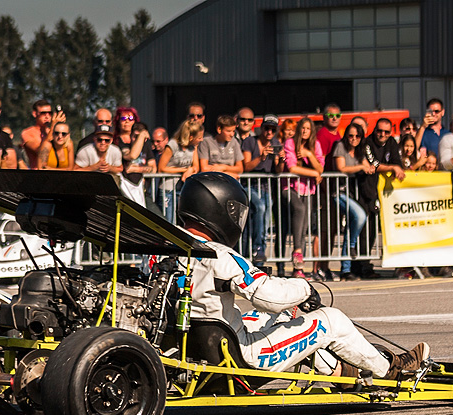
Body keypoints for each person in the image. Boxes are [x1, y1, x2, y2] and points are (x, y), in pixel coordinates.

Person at [177, 171, 430, 381]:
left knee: (279, 317)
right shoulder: (220, 256)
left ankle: (340, 371)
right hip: (239, 361)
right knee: (331, 320)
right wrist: (305, 288)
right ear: (219, 209)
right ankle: (392, 370)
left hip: (193, 354)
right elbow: (269, 297)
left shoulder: (167, 252)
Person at [357, 118, 407, 278]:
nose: (382, 134)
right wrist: (392, 167)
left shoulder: (392, 143)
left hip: (384, 194)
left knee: (377, 230)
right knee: (366, 230)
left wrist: (395, 167)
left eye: (386, 132)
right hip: (366, 191)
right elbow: (374, 163)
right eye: (379, 131)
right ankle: (362, 266)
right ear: (374, 130)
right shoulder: (367, 142)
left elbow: (397, 162)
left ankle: (370, 264)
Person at [277, 116, 323, 278]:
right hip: (289, 187)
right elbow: (292, 168)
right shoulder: (290, 143)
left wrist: (309, 154)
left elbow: (320, 168)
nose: (305, 131)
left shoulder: (315, 145)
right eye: (302, 128)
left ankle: (298, 269)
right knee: (299, 209)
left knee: (303, 228)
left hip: (307, 189)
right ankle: (296, 251)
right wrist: (314, 173)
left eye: (308, 128)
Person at [332, 123, 372, 282]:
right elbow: (341, 168)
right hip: (338, 192)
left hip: (353, 194)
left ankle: (346, 269)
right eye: (351, 135)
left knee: (350, 228)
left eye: (357, 136)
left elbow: (368, 166)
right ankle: (352, 246)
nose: (354, 139)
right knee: (360, 216)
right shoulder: (340, 146)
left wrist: (367, 166)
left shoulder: (361, 151)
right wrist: (360, 166)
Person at [241, 114, 281, 267]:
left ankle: (260, 252)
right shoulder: (250, 141)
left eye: (273, 129)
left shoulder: (275, 143)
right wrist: (261, 157)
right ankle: (257, 247)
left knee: (266, 217)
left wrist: (281, 159)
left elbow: (278, 170)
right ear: (261, 128)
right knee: (260, 207)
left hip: (266, 187)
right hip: (249, 185)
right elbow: (246, 167)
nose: (269, 132)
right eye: (267, 128)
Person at [157, 120, 201, 221]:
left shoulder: (193, 147)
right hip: (168, 189)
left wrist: (190, 170)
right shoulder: (172, 145)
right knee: (168, 220)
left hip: (183, 189)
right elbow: (161, 168)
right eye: (199, 137)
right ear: (191, 137)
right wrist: (183, 170)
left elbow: (196, 167)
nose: (201, 140)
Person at [20, 99, 65, 169]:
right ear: (35, 114)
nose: (47, 116)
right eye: (43, 113)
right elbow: (41, 152)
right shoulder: (27, 133)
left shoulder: (52, 132)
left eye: (49, 113)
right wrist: (53, 125)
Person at [197, 115, 243, 180]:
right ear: (219, 129)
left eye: (233, 131)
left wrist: (224, 167)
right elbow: (204, 168)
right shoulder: (206, 142)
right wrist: (227, 174)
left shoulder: (234, 142)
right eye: (228, 131)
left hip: (230, 182)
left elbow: (240, 168)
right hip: (212, 181)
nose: (232, 134)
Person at [316, 104, 343, 171]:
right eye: (331, 115)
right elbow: (320, 159)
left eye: (337, 115)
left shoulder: (337, 133)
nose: (335, 118)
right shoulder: (322, 135)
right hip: (328, 174)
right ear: (324, 117)